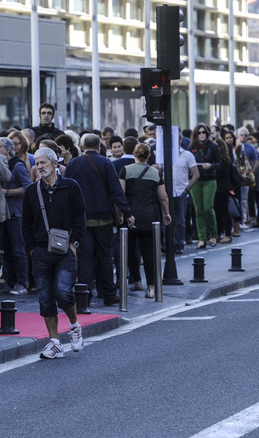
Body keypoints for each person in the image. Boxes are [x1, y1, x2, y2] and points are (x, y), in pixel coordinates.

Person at [21, 147, 86, 359]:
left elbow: (79, 217)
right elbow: (26, 223)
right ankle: (55, 342)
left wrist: (74, 244)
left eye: (43, 163)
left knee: (63, 291)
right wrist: (30, 248)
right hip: (40, 250)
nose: (39, 167)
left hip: (65, 249)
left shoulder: (71, 187)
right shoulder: (32, 191)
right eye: (36, 163)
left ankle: (74, 326)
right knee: (45, 298)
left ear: (54, 164)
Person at [63, 133, 132, 307]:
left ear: (82, 145)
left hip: (82, 220)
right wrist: (127, 212)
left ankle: (84, 296)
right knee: (105, 257)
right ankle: (108, 293)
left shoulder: (73, 164)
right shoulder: (106, 163)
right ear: (99, 147)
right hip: (104, 219)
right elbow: (117, 191)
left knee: (85, 259)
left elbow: (66, 191)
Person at [119, 143, 170, 298]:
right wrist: (166, 213)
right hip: (150, 215)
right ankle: (151, 287)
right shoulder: (155, 173)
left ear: (134, 154)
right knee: (149, 253)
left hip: (131, 216)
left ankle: (137, 280)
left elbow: (120, 194)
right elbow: (163, 197)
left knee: (129, 250)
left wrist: (121, 214)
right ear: (149, 155)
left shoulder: (126, 170)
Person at [0, 137, 31, 295]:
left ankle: (22, 283)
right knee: (7, 251)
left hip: (16, 213)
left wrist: (7, 192)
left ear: (7, 150)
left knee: (18, 250)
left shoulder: (17, 166)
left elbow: (28, 187)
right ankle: (10, 281)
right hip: (3, 214)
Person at [189, 123, 220, 248]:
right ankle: (202, 238)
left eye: (204, 132)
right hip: (196, 180)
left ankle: (213, 234)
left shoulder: (213, 146)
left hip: (210, 178)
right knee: (198, 210)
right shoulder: (191, 147)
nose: (202, 135)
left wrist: (210, 165)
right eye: (199, 133)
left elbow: (220, 163)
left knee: (208, 207)